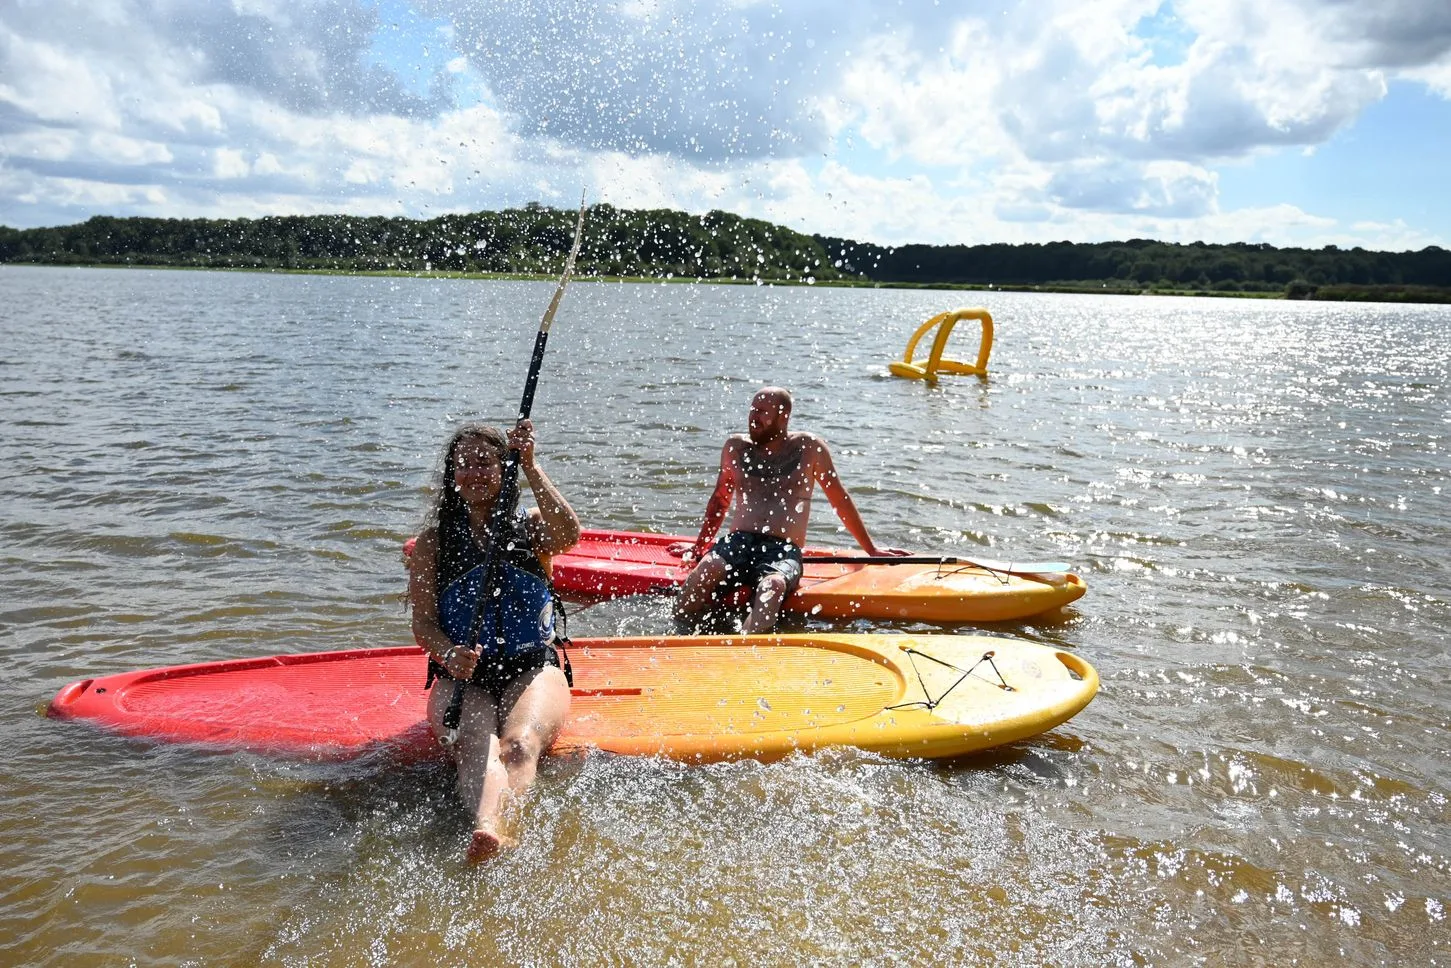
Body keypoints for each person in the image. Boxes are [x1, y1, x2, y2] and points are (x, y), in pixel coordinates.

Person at [406, 419, 581, 862]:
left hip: (532, 666)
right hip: (464, 673)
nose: (474, 472)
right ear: (452, 477)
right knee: (473, 742)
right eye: (463, 465)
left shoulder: (533, 529)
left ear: (506, 471)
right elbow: (423, 624)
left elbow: (570, 534)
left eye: (485, 463)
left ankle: (501, 826)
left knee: (519, 745)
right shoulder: (433, 545)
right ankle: (486, 829)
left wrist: (532, 466)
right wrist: (448, 653)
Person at [670, 386, 907, 633]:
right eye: (752, 410)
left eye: (762, 412)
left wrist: (871, 550)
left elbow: (840, 500)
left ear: (783, 416)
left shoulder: (809, 448)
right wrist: (698, 549)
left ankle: (741, 653)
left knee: (771, 587)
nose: (753, 417)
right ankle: (679, 636)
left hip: (782, 550)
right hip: (737, 542)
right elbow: (719, 500)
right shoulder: (736, 448)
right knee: (706, 571)